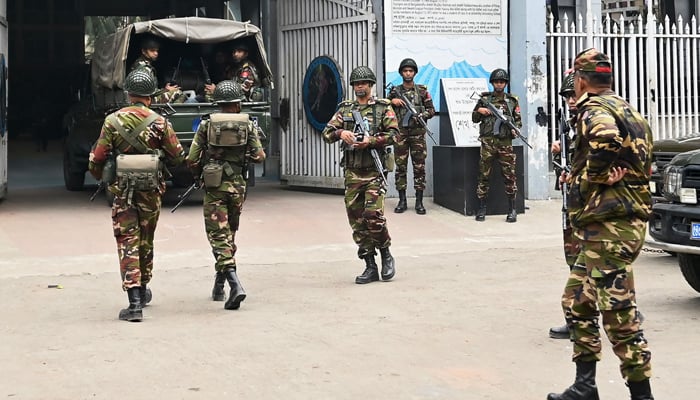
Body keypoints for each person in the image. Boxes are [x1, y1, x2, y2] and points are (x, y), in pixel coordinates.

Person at [547, 48, 654, 400]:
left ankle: (642, 394)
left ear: (580, 79)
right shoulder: (627, 108)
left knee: (618, 315)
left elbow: (606, 140)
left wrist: (596, 175)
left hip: (612, 227)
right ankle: (585, 385)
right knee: (576, 300)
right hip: (607, 225)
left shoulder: (594, 109)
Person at [88, 69, 185, 322]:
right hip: (151, 191)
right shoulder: (161, 122)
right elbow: (176, 157)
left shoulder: (112, 121)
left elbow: (97, 158)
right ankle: (142, 290)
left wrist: (100, 175)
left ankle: (134, 303)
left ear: (128, 94)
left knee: (127, 240)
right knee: (146, 239)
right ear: (151, 96)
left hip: (123, 192)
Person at [185, 80, 266, 310]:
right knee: (228, 234)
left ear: (217, 102)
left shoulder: (206, 125)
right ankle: (219, 286)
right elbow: (260, 156)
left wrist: (199, 173)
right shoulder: (248, 125)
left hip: (214, 187)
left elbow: (191, 158)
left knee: (218, 236)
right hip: (238, 187)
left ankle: (235, 284)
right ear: (238, 103)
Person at [321, 66, 399, 284]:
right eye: (356, 84)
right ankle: (370, 265)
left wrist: (371, 141)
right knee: (357, 220)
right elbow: (326, 133)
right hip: (353, 172)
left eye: (364, 83)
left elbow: (394, 134)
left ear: (371, 85)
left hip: (375, 171)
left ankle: (385, 252)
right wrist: (341, 132)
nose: (360, 86)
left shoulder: (384, 108)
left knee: (373, 215)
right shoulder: (345, 110)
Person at [548, 70, 580, 340]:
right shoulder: (571, 124)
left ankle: (623, 310)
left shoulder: (597, 123)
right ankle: (576, 320)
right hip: (572, 202)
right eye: (567, 95)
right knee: (574, 260)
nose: (570, 99)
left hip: (591, 207)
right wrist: (560, 154)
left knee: (595, 266)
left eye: (574, 94)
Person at [472, 68, 522, 222]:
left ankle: (512, 209)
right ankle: (482, 208)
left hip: (505, 143)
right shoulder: (484, 99)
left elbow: (518, 121)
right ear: (492, 83)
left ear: (505, 83)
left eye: (501, 82)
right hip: (488, 143)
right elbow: (474, 118)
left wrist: (515, 130)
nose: (499, 84)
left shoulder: (512, 101)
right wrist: (480, 110)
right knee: (484, 175)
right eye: (496, 82)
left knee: (509, 176)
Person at [387, 58, 435, 215]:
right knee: (400, 168)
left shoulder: (422, 91)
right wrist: (392, 101)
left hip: (418, 135)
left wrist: (421, 115)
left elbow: (431, 110)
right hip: (400, 134)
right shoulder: (394, 91)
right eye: (405, 71)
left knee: (419, 168)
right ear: (401, 73)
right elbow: (384, 109)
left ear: (414, 73)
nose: (408, 73)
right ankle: (402, 200)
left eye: (411, 71)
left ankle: (419, 202)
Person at [130, 35, 181, 103]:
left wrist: (165, 89)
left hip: (145, 98)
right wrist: (165, 90)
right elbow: (145, 90)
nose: (156, 53)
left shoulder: (143, 64)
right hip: (145, 100)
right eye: (152, 51)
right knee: (178, 93)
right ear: (144, 51)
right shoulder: (143, 67)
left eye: (156, 51)